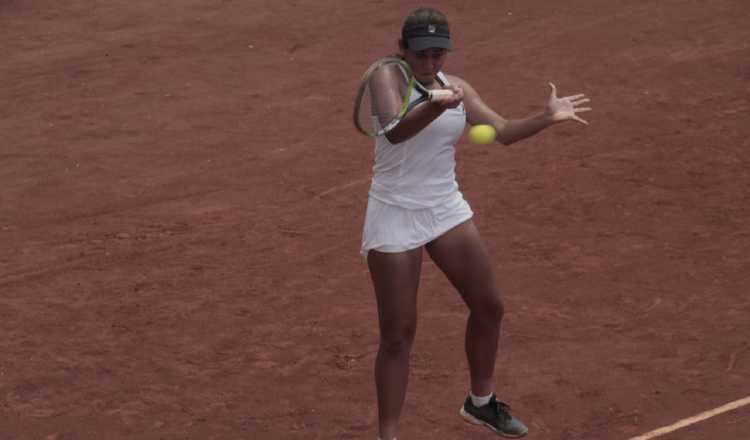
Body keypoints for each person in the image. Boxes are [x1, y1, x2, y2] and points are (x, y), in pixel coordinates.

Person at [360, 7, 591, 440]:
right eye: (423, 54)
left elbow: (501, 131)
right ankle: (388, 434)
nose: (432, 63)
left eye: (439, 54)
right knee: (398, 332)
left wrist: (546, 118)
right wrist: (436, 105)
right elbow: (395, 128)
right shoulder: (386, 78)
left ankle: (480, 404)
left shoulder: (458, 87)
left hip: (445, 207)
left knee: (489, 305)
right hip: (394, 211)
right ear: (403, 50)